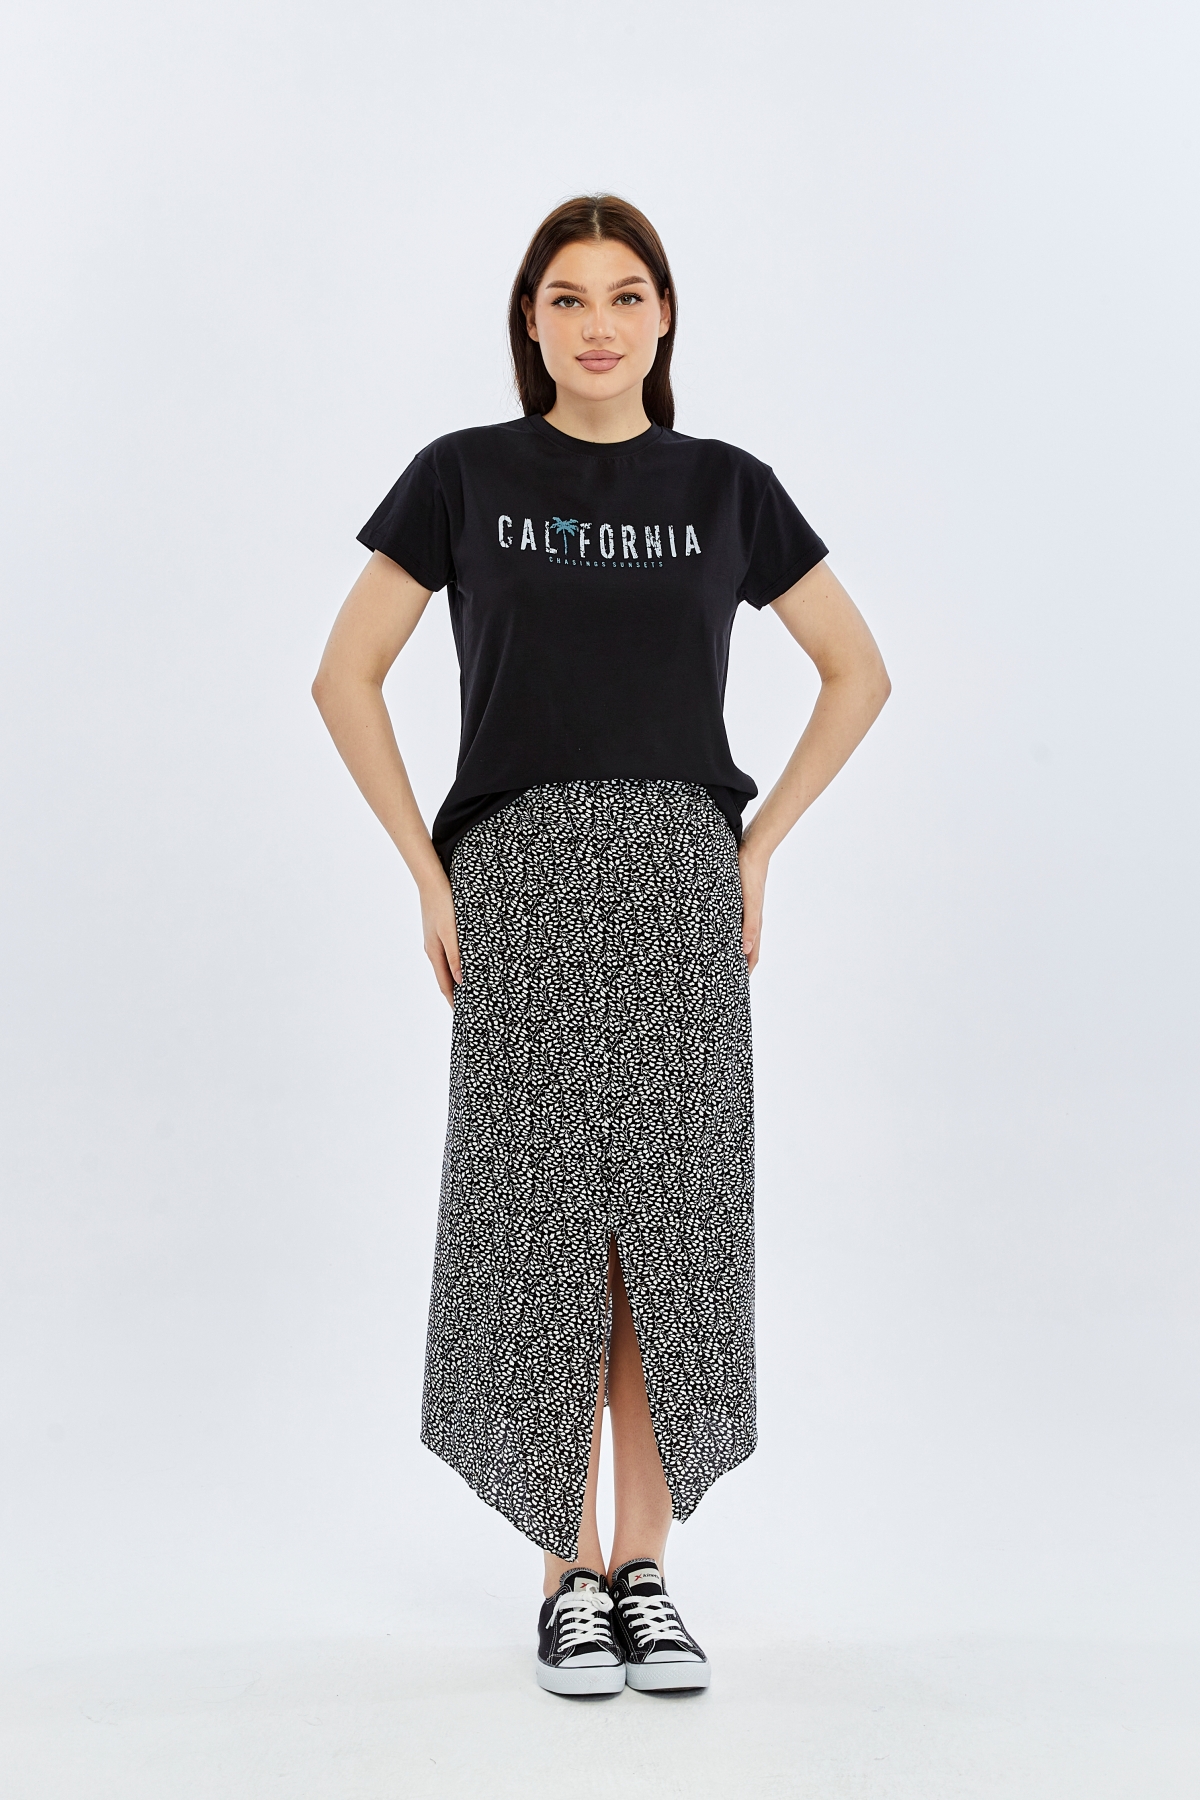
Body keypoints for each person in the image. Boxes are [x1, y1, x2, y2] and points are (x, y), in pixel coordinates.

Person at [312, 195, 890, 1698]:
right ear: (531, 321)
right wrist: (428, 874)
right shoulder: (464, 477)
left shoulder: (726, 488)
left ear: (665, 316)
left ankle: (646, 1570)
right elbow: (344, 675)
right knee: (536, 1223)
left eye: (626, 295)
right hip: (519, 879)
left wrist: (756, 846)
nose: (598, 324)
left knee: (668, 1232)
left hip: (680, 881)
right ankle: (564, 1575)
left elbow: (857, 670)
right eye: (567, 298)